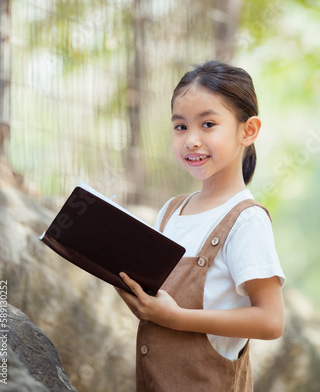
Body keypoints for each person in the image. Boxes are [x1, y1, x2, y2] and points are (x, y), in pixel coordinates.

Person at [116, 60, 285, 392]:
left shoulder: (246, 220)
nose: (191, 140)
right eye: (181, 127)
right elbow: (157, 308)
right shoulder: (170, 212)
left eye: (208, 124)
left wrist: (178, 318)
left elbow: (270, 320)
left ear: (247, 131)